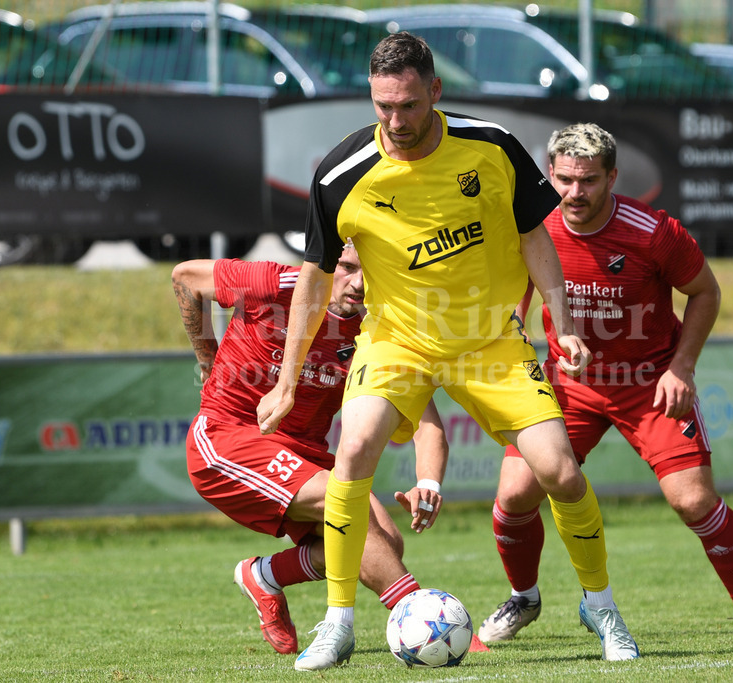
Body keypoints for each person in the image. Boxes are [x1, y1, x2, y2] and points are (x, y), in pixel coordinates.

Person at [257, 32, 640, 672]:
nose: (395, 121)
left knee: (560, 470)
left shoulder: (491, 148)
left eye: (408, 104)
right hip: (398, 340)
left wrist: (562, 321)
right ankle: (339, 620)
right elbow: (315, 282)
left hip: (490, 339)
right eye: (383, 106)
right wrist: (288, 382)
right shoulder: (339, 174)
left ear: (435, 91)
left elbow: (535, 238)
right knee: (353, 450)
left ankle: (599, 606)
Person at [477, 122, 733, 644]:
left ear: (613, 177)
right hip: (570, 386)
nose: (576, 192)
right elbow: (513, 300)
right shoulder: (532, 226)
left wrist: (681, 367)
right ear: (550, 174)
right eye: (566, 179)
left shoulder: (653, 232)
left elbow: (705, 293)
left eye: (589, 180)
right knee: (515, 494)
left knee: (693, 502)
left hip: (649, 385)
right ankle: (524, 599)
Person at [172, 245, 455, 657]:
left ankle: (266, 575)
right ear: (324, 262)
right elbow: (185, 277)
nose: (358, 283)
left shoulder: (376, 335)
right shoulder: (273, 284)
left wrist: (427, 481)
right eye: (346, 267)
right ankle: (421, 615)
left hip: (303, 454)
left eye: (370, 270)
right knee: (345, 506)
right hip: (227, 435)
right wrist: (208, 358)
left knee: (387, 543)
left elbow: (427, 425)